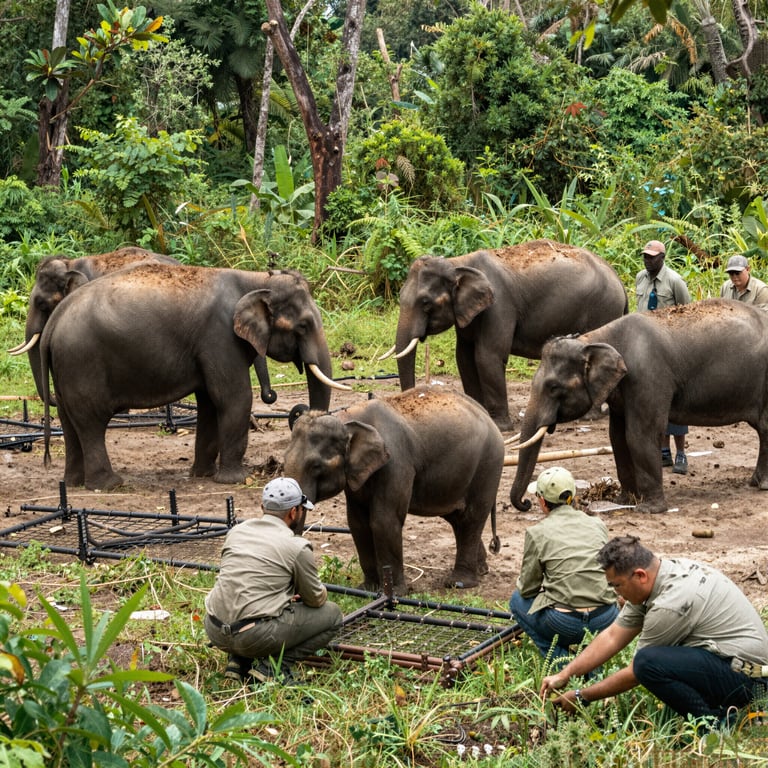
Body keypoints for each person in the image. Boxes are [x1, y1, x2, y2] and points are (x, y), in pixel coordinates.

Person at [540, 536, 768, 727]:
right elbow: (612, 636)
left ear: (640, 575)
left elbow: (636, 673)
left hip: (752, 680)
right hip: (729, 662)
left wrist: (582, 696)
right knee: (652, 661)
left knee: (648, 663)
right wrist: (565, 674)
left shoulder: (671, 602)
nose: (615, 594)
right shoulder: (659, 576)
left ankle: (713, 723)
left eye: (616, 585)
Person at [204, 477, 343, 685]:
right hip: (254, 636)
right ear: (294, 512)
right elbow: (316, 599)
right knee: (333, 615)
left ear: (263, 507)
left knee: (245, 601)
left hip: (214, 629)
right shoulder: (296, 546)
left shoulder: (236, 532)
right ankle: (272, 667)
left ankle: (237, 663)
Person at [509, 467, 619, 666]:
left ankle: (560, 662)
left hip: (564, 623)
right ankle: (592, 664)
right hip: (606, 618)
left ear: (542, 502)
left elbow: (527, 589)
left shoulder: (537, 532)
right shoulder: (597, 524)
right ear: (573, 495)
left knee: (517, 601)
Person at [635, 240, 691, 475]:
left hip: (670, 347)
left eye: (652, 257)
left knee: (675, 401)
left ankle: (681, 453)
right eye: (645, 257)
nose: (648, 261)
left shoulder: (675, 281)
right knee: (654, 401)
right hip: (646, 347)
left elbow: (689, 314)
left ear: (663, 258)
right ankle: (663, 451)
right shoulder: (641, 278)